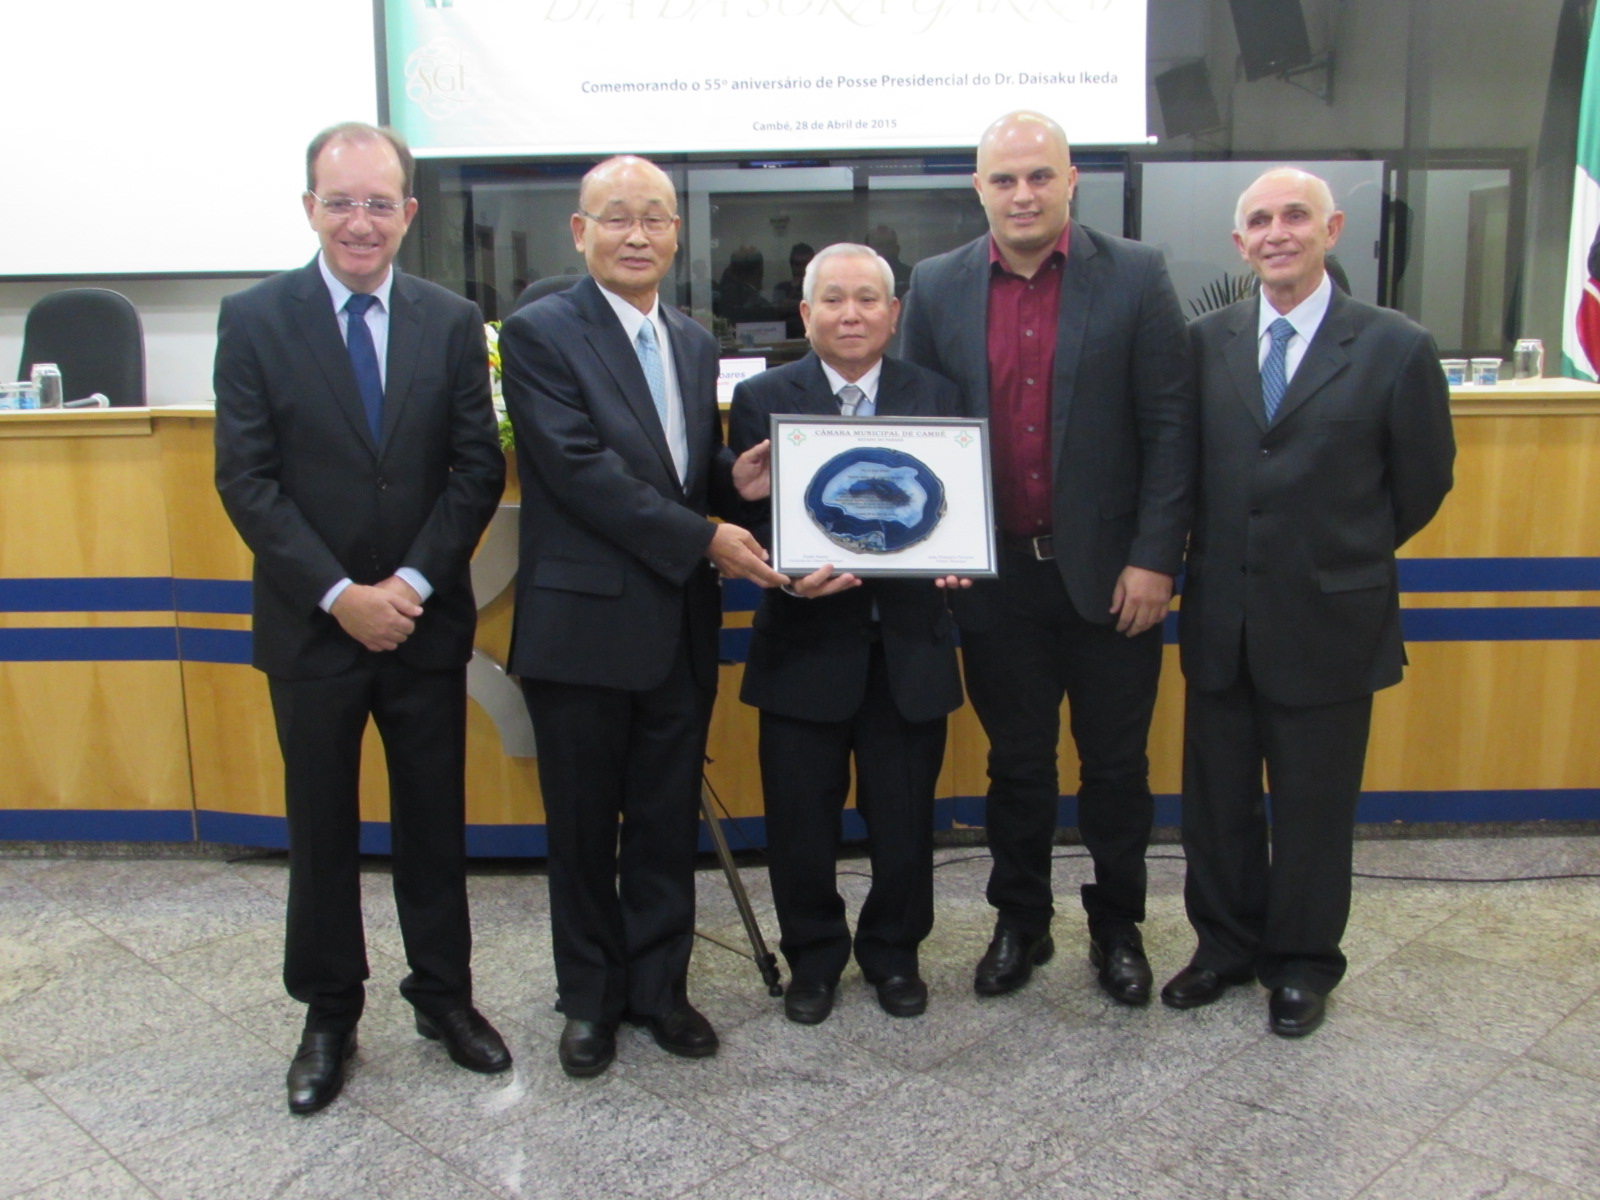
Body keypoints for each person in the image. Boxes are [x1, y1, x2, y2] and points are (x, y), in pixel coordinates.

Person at [213, 121, 509, 1115]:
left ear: (408, 213)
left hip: (423, 626)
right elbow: (246, 482)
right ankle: (329, 1013)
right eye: (339, 201)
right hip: (313, 630)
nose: (359, 221)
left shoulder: (448, 318)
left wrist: (411, 588)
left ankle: (444, 998)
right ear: (309, 208)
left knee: (433, 823)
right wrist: (342, 597)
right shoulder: (254, 319)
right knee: (323, 827)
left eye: (379, 202)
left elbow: (476, 470)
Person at [499, 155, 787, 1078]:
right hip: (581, 629)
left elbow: (669, 478)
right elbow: (580, 473)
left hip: (676, 624)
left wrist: (726, 487)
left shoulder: (695, 342)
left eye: (654, 219)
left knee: (664, 821)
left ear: (674, 235)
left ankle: (661, 990)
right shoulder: (541, 335)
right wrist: (705, 535)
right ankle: (589, 1000)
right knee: (582, 830)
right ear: (579, 234)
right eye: (615, 218)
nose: (637, 235)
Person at [900, 110, 1195, 1006]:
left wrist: (1156, 558)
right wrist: (932, 546)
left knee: (1116, 767)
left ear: (1071, 181)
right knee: (1017, 764)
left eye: (1039, 176)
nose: (1022, 194)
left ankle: (1118, 929)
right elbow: (917, 425)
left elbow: (1170, 426)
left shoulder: (1136, 275)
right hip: (995, 580)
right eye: (1003, 179)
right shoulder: (936, 284)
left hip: (1113, 579)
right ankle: (1020, 923)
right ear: (978, 188)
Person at [1162, 168, 1454, 1037]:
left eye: (1295, 216)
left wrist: (1335, 553)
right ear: (1239, 243)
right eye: (1259, 220)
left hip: (1330, 618)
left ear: (1330, 228)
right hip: (1221, 616)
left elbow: (1422, 484)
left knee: (1315, 806)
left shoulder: (1396, 345)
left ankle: (1301, 964)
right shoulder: (1203, 341)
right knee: (1216, 802)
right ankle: (1224, 947)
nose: (1277, 231)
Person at [729, 244, 965, 1025]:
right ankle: (814, 960)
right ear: (805, 314)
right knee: (800, 823)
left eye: (868, 298)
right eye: (833, 299)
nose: (852, 313)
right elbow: (753, 517)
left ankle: (895, 955)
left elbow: (955, 507)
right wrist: (776, 561)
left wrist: (960, 554)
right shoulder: (763, 397)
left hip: (909, 648)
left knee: (904, 822)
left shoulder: (938, 396)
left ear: (894, 314)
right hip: (804, 644)